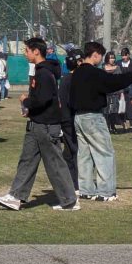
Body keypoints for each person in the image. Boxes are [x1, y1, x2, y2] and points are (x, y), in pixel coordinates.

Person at [0, 38, 79, 212]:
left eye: (27, 51)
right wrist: (30, 109)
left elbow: (44, 99)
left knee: (55, 164)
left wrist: (27, 101)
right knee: (27, 161)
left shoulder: (44, 73)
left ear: (36, 52)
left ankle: (70, 200)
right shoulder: (39, 71)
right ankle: (15, 197)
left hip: (47, 126)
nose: (25, 54)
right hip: (36, 124)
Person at [70, 41, 132, 201]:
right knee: (104, 153)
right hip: (94, 117)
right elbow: (115, 82)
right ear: (95, 54)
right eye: (101, 56)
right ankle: (105, 191)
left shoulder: (76, 73)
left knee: (85, 154)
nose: (101, 59)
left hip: (79, 117)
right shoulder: (94, 73)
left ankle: (86, 189)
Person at [58, 48, 81, 189]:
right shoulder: (77, 79)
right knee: (73, 152)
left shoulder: (66, 79)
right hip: (73, 118)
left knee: (72, 152)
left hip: (67, 119)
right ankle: (75, 182)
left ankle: (75, 183)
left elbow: (62, 101)